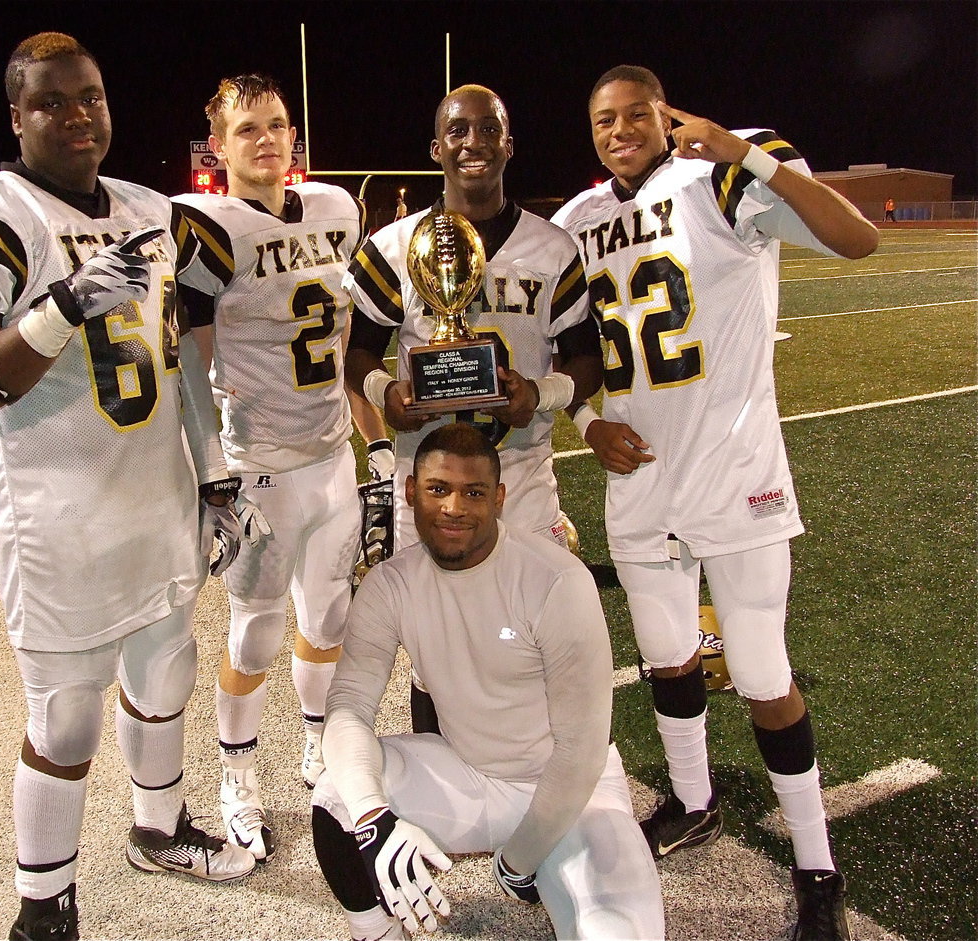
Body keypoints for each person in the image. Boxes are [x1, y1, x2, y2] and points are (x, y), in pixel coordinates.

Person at [0, 33, 257, 941]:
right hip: (56, 517)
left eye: (90, 97)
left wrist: (215, 477)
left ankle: (158, 825)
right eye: (52, 102)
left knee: (164, 672)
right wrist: (59, 309)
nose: (78, 115)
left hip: (157, 496)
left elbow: (183, 356)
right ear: (16, 116)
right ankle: (43, 906)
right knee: (64, 722)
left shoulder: (149, 208)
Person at [551, 65, 879, 941]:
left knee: (764, 673)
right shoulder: (578, 222)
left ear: (666, 114)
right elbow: (566, 348)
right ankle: (694, 802)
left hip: (736, 470)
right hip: (640, 476)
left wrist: (749, 155)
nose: (618, 130)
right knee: (667, 657)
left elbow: (859, 241)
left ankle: (817, 865)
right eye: (601, 119)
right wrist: (584, 421)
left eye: (634, 115)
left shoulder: (721, 173)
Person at [310, 423, 664, 941]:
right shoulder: (391, 584)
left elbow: (581, 752)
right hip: (473, 775)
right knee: (337, 792)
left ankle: (544, 869)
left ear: (499, 498)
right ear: (410, 491)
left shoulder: (556, 580)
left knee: (621, 935)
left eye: (473, 492)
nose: (454, 507)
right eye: (438, 489)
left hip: (573, 796)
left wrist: (518, 863)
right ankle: (375, 932)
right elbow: (347, 707)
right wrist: (374, 818)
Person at [172, 74, 389, 863]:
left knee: (328, 622)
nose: (266, 140)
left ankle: (316, 748)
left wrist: (375, 444)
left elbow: (350, 339)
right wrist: (212, 470)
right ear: (220, 147)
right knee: (255, 634)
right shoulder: (206, 224)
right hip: (260, 465)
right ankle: (238, 779)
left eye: (277, 124)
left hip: (330, 456)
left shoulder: (337, 207)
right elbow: (191, 363)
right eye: (248, 130)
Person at [342, 85, 602, 728]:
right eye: (457, 132)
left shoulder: (553, 250)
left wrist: (542, 395)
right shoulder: (393, 247)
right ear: (436, 148)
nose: (473, 143)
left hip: (519, 477)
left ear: (509, 143)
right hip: (430, 485)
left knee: (536, 639)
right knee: (437, 654)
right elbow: (357, 356)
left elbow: (586, 359)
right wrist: (387, 395)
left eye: (489, 129)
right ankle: (449, 805)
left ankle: (532, 793)